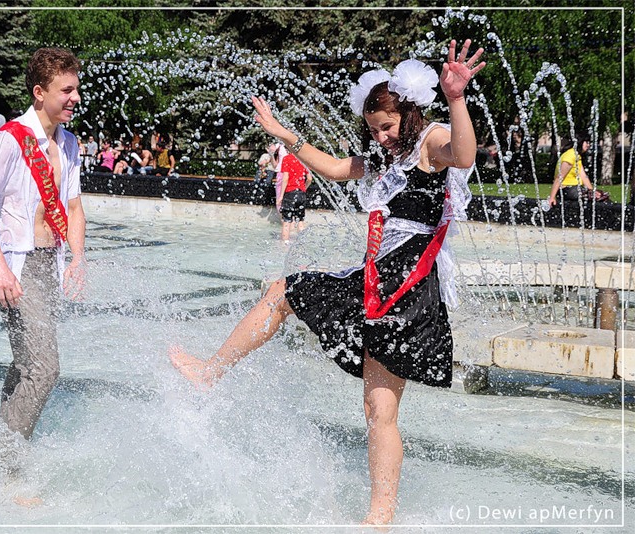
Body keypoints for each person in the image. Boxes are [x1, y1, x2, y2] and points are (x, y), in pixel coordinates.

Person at [170, 39, 485, 526]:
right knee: (283, 293)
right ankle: (211, 371)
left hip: (406, 292)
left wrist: (457, 98)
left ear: (408, 114)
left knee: (379, 409)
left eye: (386, 127)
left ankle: (379, 518)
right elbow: (337, 169)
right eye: (373, 129)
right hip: (373, 280)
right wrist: (283, 134)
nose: (380, 137)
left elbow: (463, 156)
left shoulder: (430, 141)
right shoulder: (386, 156)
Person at [0, 47, 87, 446]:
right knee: (45, 369)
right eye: (66, 90)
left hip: (49, 263)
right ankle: (8, 461)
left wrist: (77, 257)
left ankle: (1, 442)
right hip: (17, 266)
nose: (75, 98)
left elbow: (74, 207)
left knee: (25, 364)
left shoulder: (69, 144)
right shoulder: (10, 139)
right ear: (39, 92)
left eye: (76, 89)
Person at [548, 133, 606, 205]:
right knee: (596, 198)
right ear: (580, 142)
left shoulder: (576, 155)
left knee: (601, 196)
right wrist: (552, 197)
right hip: (567, 189)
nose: (588, 145)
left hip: (573, 189)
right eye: (586, 142)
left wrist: (592, 191)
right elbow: (559, 177)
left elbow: (583, 176)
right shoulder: (570, 156)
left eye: (589, 143)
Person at [275, 150, 313, 241]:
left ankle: (284, 244)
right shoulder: (303, 159)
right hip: (301, 193)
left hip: (289, 193)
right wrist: (303, 188)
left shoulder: (287, 158)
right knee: (300, 221)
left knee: (287, 221)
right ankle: (302, 243)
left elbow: (285, 178)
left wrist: (281, 196)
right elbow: (309, 179)